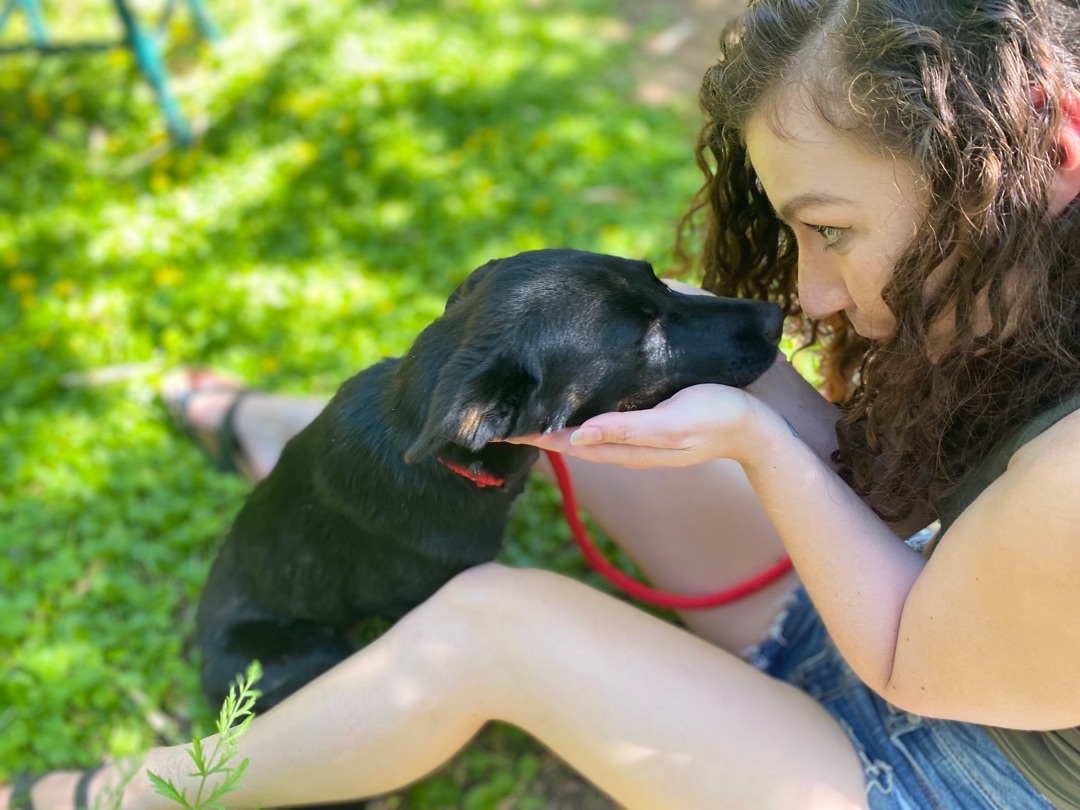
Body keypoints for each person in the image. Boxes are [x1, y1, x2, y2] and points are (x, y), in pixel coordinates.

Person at [7, 0, 1080, 806]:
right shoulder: (1032, 276)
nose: (801, 294)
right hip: (917, 622)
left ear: (1046, 146)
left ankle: (106, 795)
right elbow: (899, 506)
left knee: (492, 627)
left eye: (830, 231)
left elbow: (913, 664)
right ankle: (299, 435)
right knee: (574, 399)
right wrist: (726, 371)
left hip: (922, 768)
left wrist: (759, 439)